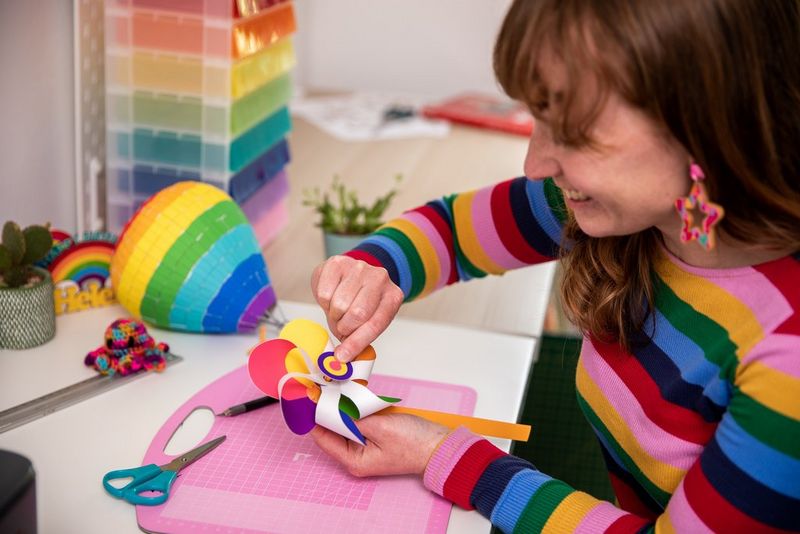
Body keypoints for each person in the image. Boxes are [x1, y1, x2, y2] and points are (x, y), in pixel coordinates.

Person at [308, 0, 800, 531]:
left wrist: (446, 458)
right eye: (537, 119)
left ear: (710, 126)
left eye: (573, 132)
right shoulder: (640, 211)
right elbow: (450, 230)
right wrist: (370, 269)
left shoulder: (788, 363)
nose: (535, 164)